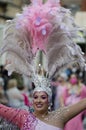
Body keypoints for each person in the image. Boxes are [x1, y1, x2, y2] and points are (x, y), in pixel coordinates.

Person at [0, 0, 86, 130]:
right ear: (32, 99)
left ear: (49, 100)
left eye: (43, 97)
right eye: (36, 97)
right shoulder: (23, 117)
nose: (39, 100)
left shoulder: (59, 116)